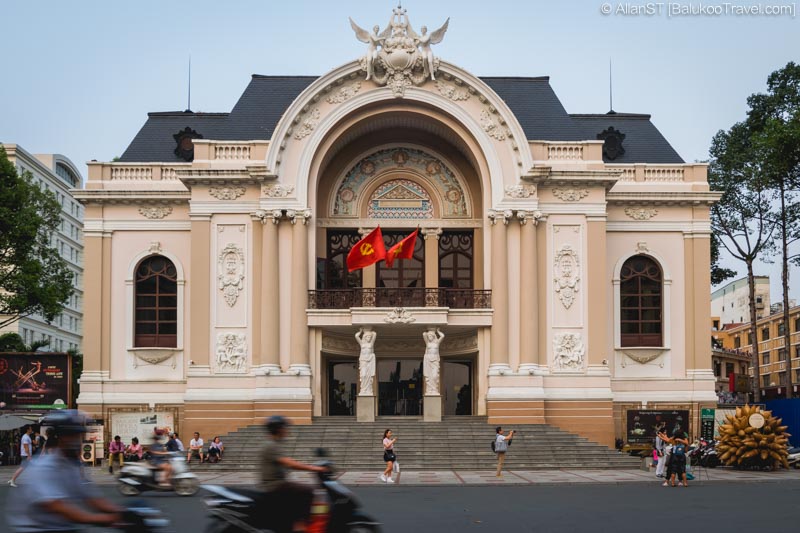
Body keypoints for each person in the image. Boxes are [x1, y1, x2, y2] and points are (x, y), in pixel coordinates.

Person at [6, 410, 122, 532]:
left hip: (62, 527)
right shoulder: (44, 468)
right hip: (38, 528)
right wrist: (108, 519)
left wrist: (122, 513)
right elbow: (59, 508)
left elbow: (91, 498)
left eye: (79, 436)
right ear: (60, 437)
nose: (78, 441)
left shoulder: (71, 466)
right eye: (72, 436)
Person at [260, 415, 328, 533]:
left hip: (276, 484)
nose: (286, 430)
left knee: (296, 492)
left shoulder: (274, 444)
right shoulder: (271, 446)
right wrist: (316, 468)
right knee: (308, 490)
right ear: (278, 429)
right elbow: (291, 464)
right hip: (274, 485)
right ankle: (300, 525)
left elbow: (288, 462)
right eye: (284, 427)